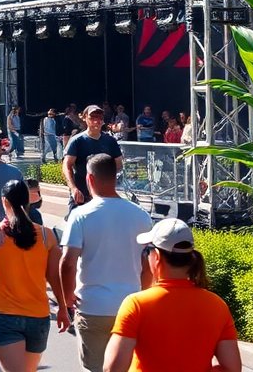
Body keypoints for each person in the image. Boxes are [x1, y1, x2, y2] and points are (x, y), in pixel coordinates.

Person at [104, 219, 240, 372]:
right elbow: (232, 369)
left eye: (147, 251)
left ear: (156, 256)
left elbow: (112, 368)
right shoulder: (217, 305)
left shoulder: (136, 304)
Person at [59, 154, 153, 372]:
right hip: (131, 308)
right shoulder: (140, 215)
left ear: (89, 179)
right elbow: (148, 264)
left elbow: (68, 263)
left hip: (92, 306)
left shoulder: (80, 215)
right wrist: (141, 294)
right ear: (115, 177)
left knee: (95, 368)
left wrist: (67, 298)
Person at [0, 179, 70, 372]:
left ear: (4, 201)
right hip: (38, 317)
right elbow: (55, 278)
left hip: (3, 317)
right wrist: (63, 308)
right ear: (28, 201)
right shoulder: (47, 236)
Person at [63, 105, 124, 212]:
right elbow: (66, 166)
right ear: (85, 118)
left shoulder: (110, 141)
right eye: (93, 117)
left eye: (100, 117)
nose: (97, 121)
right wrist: (73, 188)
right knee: (77, 221)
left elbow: (118, 164)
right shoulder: (77, 141)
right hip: (81, 193)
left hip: (104, 195)